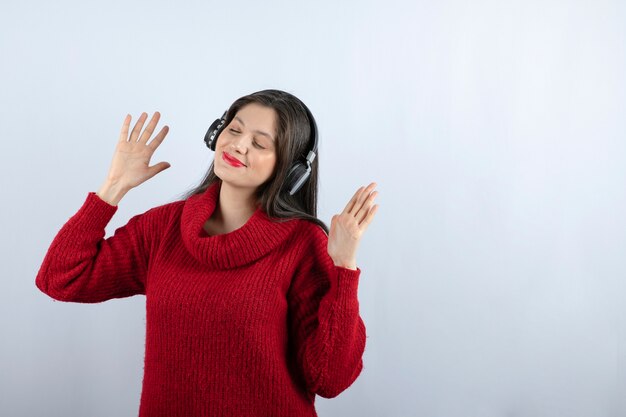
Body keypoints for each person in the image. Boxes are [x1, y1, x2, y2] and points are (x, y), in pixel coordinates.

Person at [35, 89, 379, 417]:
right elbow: (61, 279)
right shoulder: (163, 229)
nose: (238, 145)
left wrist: (344, 269)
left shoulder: (302, 245)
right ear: (216, 133)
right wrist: (114, 186)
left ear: (290, 172)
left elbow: (329, 379)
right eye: (233, 129)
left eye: (259, 143)